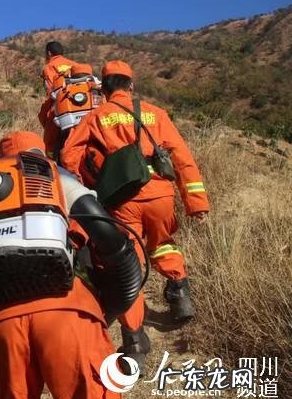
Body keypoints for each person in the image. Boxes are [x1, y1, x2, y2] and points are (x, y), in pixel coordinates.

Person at [0, 131, 142, 399]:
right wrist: (103, 311)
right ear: (40, 156)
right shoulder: (56, 180)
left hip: (3, 323)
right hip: (70, 313)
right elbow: (111, 244)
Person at [61, 60, 210, 367]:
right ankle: (180, 293)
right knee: (163, 242)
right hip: (161, 196)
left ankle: (134, 343)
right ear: (131, 86)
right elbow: (182, 158)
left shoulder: (96, 115)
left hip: (122, 200)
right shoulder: (156, 113)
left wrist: (88, 181)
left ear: (103, 89)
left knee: (128, 266)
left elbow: (68, 155)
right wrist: (197, 202)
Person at [38, 41, 88, 158]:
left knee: (47, 118)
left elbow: (51, 92)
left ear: (49, 53)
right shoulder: (73, 64)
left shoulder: (49, 67)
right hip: (83, 103)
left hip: (62, 105)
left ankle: (51, 156)